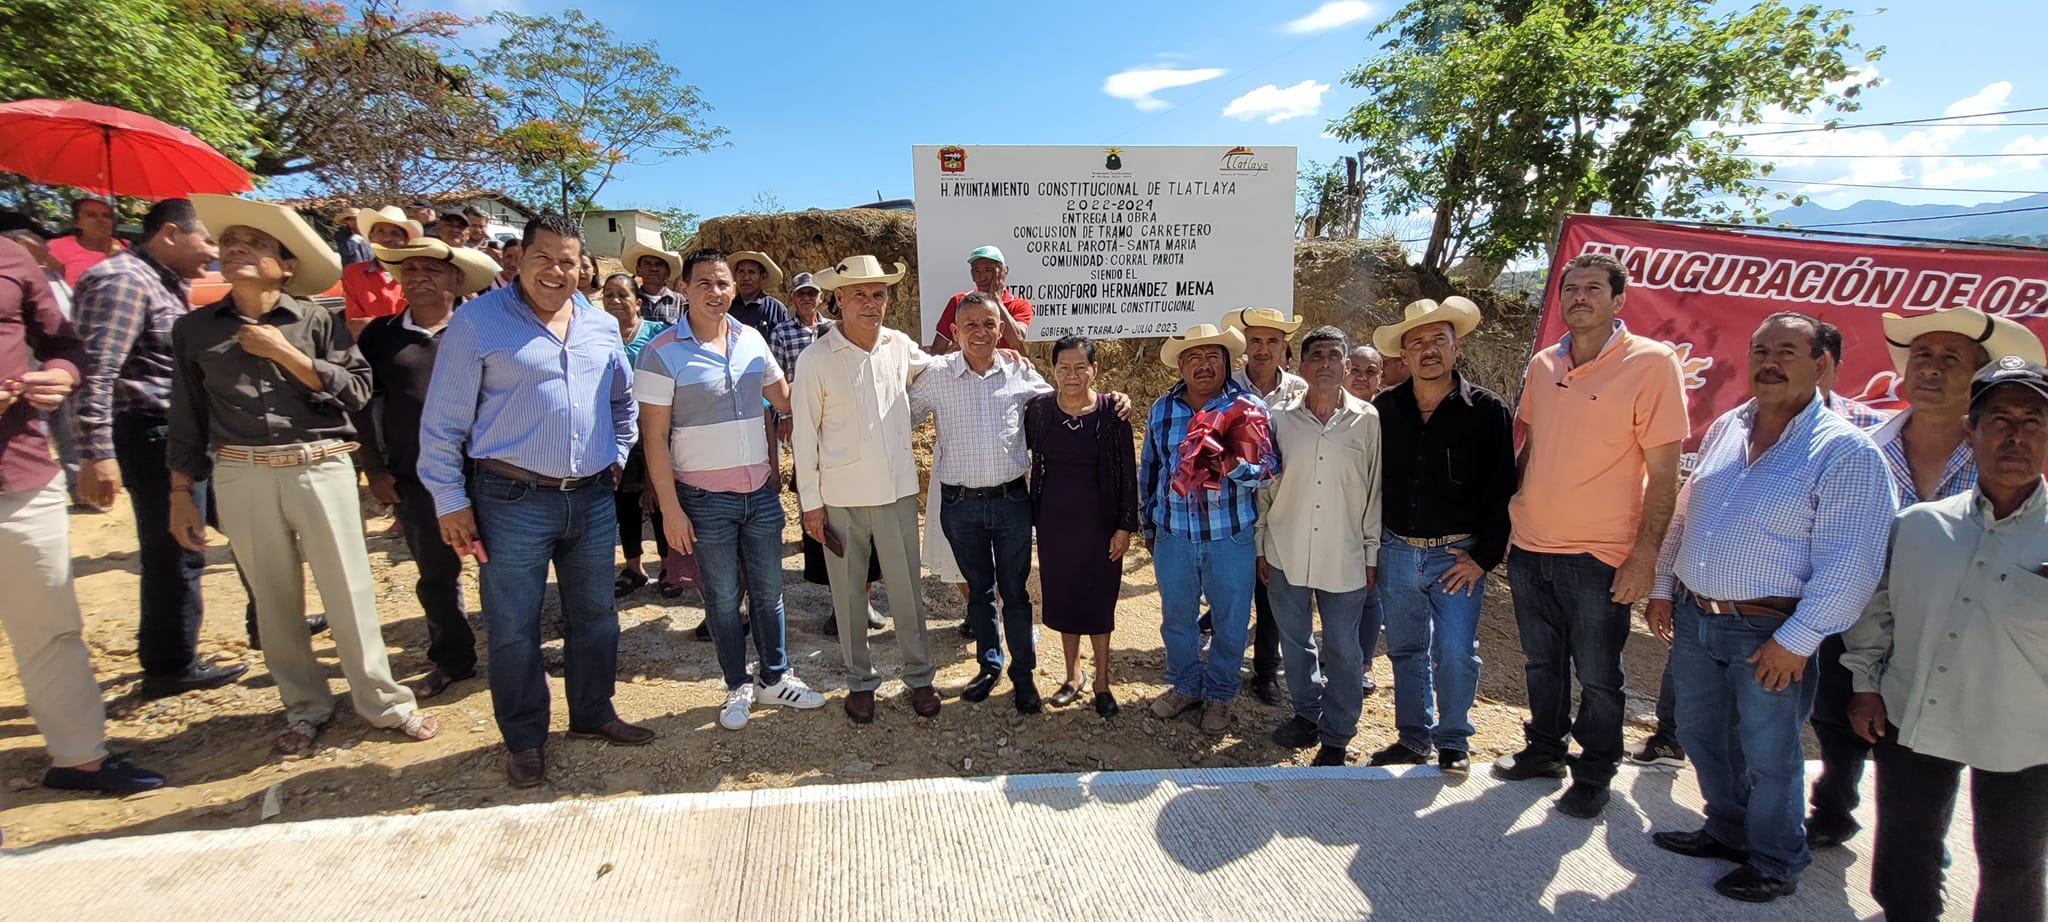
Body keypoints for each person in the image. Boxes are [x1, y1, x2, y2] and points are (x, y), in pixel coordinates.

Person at [167, 195, 438, 753]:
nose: (239, 249)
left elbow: (357, 390)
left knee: (349, 591)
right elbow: (186, 413)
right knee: (272, 597)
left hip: (318, 464)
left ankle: (382, 702)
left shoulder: (316, 321)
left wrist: (286, 354)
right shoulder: (194, 330)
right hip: (241, 470)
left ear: (285, 265)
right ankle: (304, 706)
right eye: (232, 242)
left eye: (257, 244)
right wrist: (180, 490)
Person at [1645, 312, 1895, 904]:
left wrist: (1799, 639)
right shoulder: (1730, 425)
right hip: (1697, 614)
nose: (1769, 361)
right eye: (1760, 349)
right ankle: (1728, 831)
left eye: (1787, 350)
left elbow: (1853, 564)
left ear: (1823, 364)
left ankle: (1778, 859)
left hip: (1770, 629)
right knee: (1703, 736)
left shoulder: (1847, 453)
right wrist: (1662, 586)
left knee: (1768, 753)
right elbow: (1686, 514)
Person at [418, 214, 654, 787]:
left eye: (568, 260)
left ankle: (593, 712)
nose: (556, 270)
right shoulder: (477, 323)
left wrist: (616, 454)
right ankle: (525, 738)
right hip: (509, 498)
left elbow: (624, 404)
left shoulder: (599, 326)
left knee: (595, 615)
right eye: (543, 257)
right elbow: (443, 423)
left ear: (583, 267)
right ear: (519, 258)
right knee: (514, 626)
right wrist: (451, 501)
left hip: (593, 496)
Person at [1805, 305, 2043, 848]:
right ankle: (1833, 808)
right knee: (1838, 721)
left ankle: (1924, 853)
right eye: (1923, 356)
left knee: (1937, 755)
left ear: (1979, 381)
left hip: (1952, 630)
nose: (1931, 369)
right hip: (1851, 616)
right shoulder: (1860, 442)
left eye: (1951, 359)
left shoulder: (2007, 456)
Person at [1843, 355, 2048, 922]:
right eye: (2000, 419)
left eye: (2033, 421)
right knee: (1906, 847)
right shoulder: (1919, 526)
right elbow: (1877, 611)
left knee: (2014, 864)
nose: (2016, 435)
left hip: (2025, 733)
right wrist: (1865, 686)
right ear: (1970, 431)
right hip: (1915, 714)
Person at [1498, 253, 1688, 819]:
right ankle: (1544, 750)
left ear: (1618, 300)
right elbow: (1531, 446)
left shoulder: (1652, 364)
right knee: (1541, 662)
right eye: (1571, 289)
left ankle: (1595, 771)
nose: (1579, 297)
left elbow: (1665, 471)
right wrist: (1511, 518)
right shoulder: (1543, 364)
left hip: (1599, 553)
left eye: (1592, 289)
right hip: (1532, 545)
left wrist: (1645, 555)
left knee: (1601, 675)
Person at [0, 234, 166, 796]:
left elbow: (67, 346)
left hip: (18, 472)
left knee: (50, 626)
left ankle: (79, 759)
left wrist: (60, 377)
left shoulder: (12, 256)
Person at [69, 198, 250, 696]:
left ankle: (270, 622)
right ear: (170, 233)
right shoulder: (123, 281)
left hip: (192, 431)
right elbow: (97, 372)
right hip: (154, 435)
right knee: (177, 549)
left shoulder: (164, 281)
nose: (213, 254)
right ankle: (170, 664)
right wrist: (95, 451)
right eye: (208, 241)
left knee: (245, 525)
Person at [638, 250, 825, 730]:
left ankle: (775, 678)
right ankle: (736, 685)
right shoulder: (660, 352)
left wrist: (833, 370)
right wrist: (671, 510)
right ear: (685, 289)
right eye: (704, 283)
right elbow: (654, 437)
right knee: (722, 599)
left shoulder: (752, 340)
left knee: (769, 594)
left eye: (722, 283)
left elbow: (785, 397)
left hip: (759, 491)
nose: (716, 292)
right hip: (703, 499)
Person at [1367, 298, 1516, 775]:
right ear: (1404, 355)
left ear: (1456, 349)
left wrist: (1484, 558)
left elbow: (1502, 489)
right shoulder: (1384, 409)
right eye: (1418, 343)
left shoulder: (1488, 410)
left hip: (1458, 555)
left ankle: (1453, 739)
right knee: (1406, 648)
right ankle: (1413, 737)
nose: (1428, 350)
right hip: (1396, 550)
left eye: (1438, 341)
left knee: (1454, 650)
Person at [790, 254, 941, 723]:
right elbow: (803, 436)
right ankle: (860, 680)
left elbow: (940, 368)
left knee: (907, 593)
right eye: (859, 294)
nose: (871, 304)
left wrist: (996, 355)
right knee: (849, 595)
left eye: (878, 294)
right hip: (841, 498)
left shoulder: (898, 345)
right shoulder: (816, 358)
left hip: (896, 492)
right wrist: (811, 506)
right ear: (838, 299)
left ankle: (920, 677)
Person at [351, 237, 498, 699]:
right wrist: (373, 466)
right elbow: (363, 405)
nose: (419, 277)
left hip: (490, 475)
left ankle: (517, 655)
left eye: (431, 269)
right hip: (416, 478)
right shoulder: (380, 335)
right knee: (435, 575)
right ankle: (452, 658)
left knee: (504, 572)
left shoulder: (483, 331)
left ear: (457, 280)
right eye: (410, 269)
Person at [909, 292, 1055, 712]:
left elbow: (1061, 405)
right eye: (970, 324)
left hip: (1011, 502)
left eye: (989, 324)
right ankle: (989, 665)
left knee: (1015, 591)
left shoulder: (1019, 372)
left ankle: (1022, 675)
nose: (980, 332)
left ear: (1000, 330)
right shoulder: (936, 376)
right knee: (978, 592)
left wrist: (1110, 403)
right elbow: (897, 419)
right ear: (954, 332)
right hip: (960, 507)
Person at [1139, 322, 1277, 733]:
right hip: (1174, 534)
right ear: (1180, 365)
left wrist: (1233, 467)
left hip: (1229, 535)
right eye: (1193, 358)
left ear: (1226, 362)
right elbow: (1150, 469)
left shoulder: (1247, 407)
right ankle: (1185, 684)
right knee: (1176, 618)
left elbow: (1268, 469)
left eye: (1212, 356)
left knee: (1231, 621)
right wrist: (1148, 523)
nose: (1203, 365)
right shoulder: (1162, 410)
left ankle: (1218, 694)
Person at [1258, 326, 1382, 767]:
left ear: (1346, 366)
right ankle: (1308, 713)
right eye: (1317, 355)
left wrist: (1371, 554)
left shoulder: (1368, 420)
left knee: (1344, 649)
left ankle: (1337, 733)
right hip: (1285, 549)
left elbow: (1374, 492)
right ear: (1301, 366)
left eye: (1334, 355)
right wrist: (1260, 546)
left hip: (1345, 553)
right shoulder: (1279, 419)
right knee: (1295, 642)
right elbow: (1266, 488)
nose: (1326, 363)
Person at [1024, 335, 1138, 718]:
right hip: (1055, 525)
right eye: (1063, 368)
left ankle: (1102, 681)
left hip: (1100, 526)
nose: (1071, 376)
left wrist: (1124, 526)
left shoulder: (1112, 412)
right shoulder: (1039, 410)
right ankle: (1072, 676)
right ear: (1052, 370)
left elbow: (1127, 473)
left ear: (1094, 370)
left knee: (1099, 601)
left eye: (1080, 368)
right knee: (1064, 598)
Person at [1222, 307, 1308, 706]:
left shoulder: (1301, 392)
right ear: (1244, 347)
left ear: (1284, 347)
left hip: (1284, 506)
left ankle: (1266, 672)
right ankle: (1223, 669)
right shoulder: (1226, 387)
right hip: (1234, 504)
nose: (1263, 349)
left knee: (1273, 592)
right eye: (1255, 341)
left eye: (1272, 341)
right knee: (1236, 592)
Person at [597, 272, 672, 597]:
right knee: (625, 502)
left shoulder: (657, 335)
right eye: (608, 296)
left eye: (622, 295)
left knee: (657, 499)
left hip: (654, 430)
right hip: (615, 433)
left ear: (638, 302)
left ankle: (669, 567)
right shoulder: (597, 338)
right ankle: (634, 567)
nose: (614, 302)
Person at [930, 245, 1032, 355]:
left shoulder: (1019, 305)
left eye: (988, 270)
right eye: (976, 271)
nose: (981, 277)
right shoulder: (959, 301)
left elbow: (1016, 341)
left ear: (1004, 271)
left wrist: (996, 299)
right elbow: (937, 350)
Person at [340, 206, 421, 336]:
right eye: (381, 232)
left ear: (406, 241)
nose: (387, 239)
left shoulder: (418, 274)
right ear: (371, 236)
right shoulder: (353, 273)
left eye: (395, 233)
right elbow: (354, 326)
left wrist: (373, 324)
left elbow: (424, 323)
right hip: (368, 351)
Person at [49, 198, 124, 286]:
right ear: (77, 223)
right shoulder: (58, 246)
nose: (101, 220)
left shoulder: (125, 247)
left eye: (106, 216)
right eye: (91, 215)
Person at [623, 241, 683, 323]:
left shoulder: (680, 302)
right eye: (647, 264)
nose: (654, 268)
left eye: (659, 264)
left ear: (668, 273)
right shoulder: (630, 300)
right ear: (638, 270)